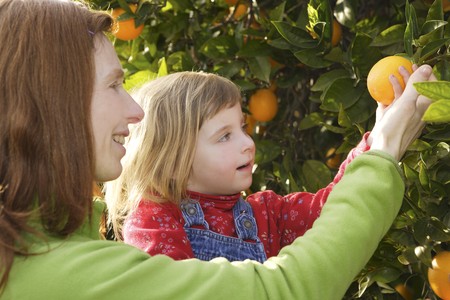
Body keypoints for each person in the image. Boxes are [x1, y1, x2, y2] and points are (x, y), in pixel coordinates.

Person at [0, 0, 434, 299]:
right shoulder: (86, 266)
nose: (133, 109)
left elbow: (326, 209)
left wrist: (373, 143)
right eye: (114, 84)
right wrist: (384, 153)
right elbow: (285, 291)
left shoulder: (49, 255)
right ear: (52, 101)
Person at [105, 71, 398, 262]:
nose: (247, 142)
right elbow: (174, 289)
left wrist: (378, 138)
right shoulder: (155, 219)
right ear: (171, 161)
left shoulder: (266, 215)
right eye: (224, 136)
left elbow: (332, 206)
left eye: (243, 128)